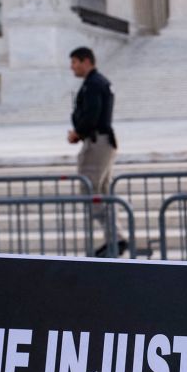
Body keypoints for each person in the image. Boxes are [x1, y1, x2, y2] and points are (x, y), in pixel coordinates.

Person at [68, 47, 123, 257]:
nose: (72, 67)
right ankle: (115, 239)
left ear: (86, 61)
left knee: (91, 192)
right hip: (102, 141)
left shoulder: (93, 84)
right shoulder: (98, 82)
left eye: (74, 62)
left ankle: (116, 239)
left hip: (96, 142)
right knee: (103, 192)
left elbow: (91, 115)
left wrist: (78, 132)